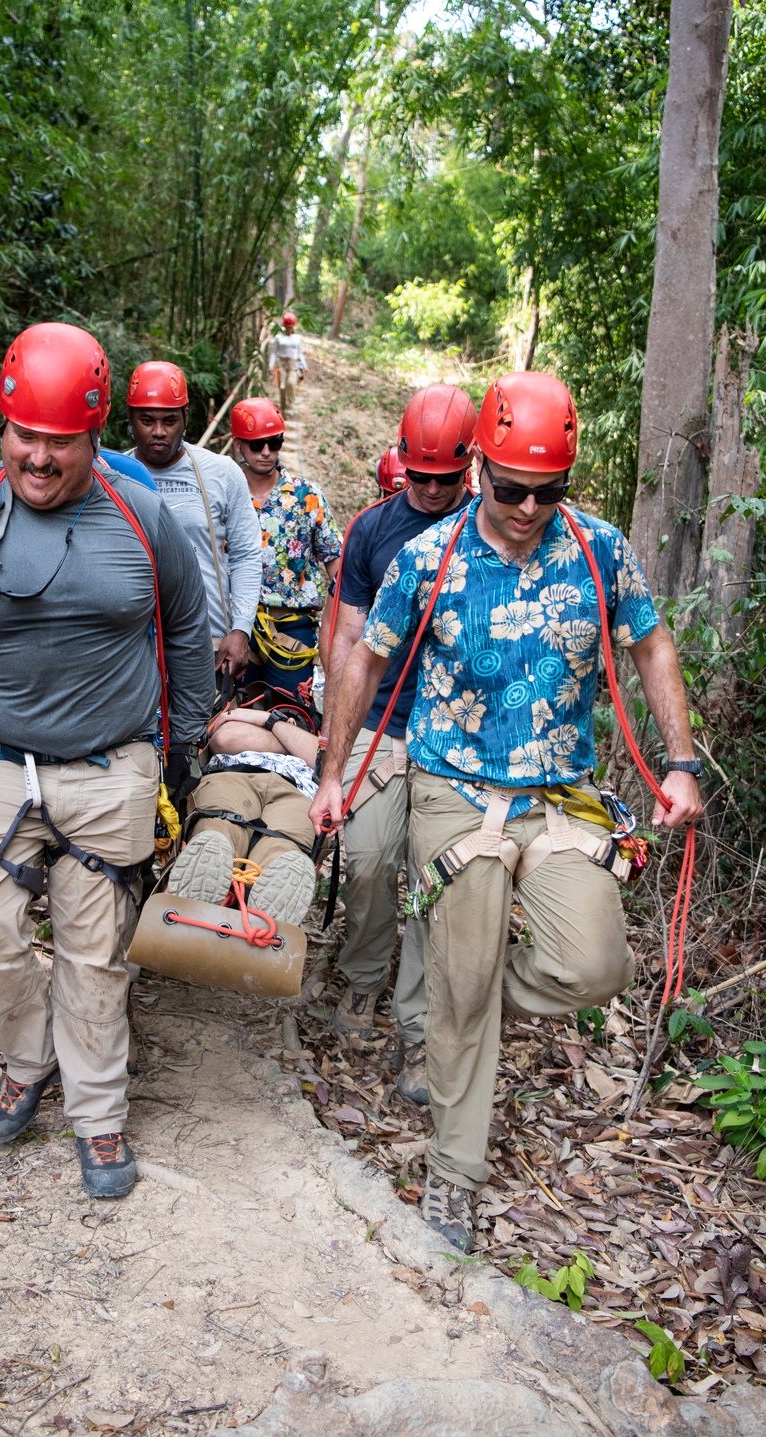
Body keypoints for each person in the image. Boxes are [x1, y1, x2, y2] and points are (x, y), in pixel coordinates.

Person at [310, 371, 703, 1253]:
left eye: (549, 490)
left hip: (559, 794)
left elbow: (651, 642)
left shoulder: (599, 549)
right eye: (511, 488)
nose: (528, 508)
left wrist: (678, 761)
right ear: (482, 466)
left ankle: (468, 997)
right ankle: (454, 1173)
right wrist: (334, 772)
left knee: (594, 964)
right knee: (461, 952)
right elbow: (361, 662)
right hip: (451, 788)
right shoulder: (427, 557)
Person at [0, 322, 215, 1201]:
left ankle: (98, 1114)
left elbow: (188, 629)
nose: (41, 457)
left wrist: (183, 745)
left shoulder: (143, 518)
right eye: (26, 435)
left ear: (98, 435)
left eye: (62, 440)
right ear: (2, 426)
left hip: (110, 762)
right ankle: (30, 1055)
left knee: (96, 951)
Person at [324, 387, 476, 1108]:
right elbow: (348, 640)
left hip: (454, 734)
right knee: (369, 857)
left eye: (448, 479)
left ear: (470, 467)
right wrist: (336, 751)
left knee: (434, 879)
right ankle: (360, 977)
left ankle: (416, 1024)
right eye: (421, 476)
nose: (434, 491)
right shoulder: (371, 532)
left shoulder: (491, 532)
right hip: (382, 721)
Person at [127, 360, 262, 682]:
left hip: (208, 640)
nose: (159, 432)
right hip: (130, 646)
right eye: (147, 420)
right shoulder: (111, 475)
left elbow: (246, 554)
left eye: (169, 420)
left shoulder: (222, 472)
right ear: (130, 420)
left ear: (186, 418)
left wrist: (241, 629)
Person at [231, 396, 342, 696]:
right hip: (237, 627)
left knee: (291, 716)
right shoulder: (225, 498)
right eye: (256, 445)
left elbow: (337, 566)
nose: (266, 452)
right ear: (238, 444)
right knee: (232, 717)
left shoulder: (307, 497)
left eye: (274, 442)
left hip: (293, 627)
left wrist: (341, 631)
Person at [169, 710, 320, 926]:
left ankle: (262, 909)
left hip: (297, 792)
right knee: (220, 829)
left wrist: (265, 722)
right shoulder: (241, 727)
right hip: (235, 774)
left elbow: (323, 757)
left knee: (283, 850)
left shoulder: (314, 743)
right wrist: (291, 739)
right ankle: (204, 886)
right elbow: (225, 738)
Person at [268, 310, 307, 418]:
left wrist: (304, 365)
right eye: (287, 327)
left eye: (290, 327)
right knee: (282, 387)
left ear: (293, 326)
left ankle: (291, 403)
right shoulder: (279, 338)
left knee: (290, 383)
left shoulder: (297, 338)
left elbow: (300, 353)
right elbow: (273, 353)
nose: (289, 328)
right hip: (281, 364)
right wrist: (271, 364)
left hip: (293, 364)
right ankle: (283, 409)